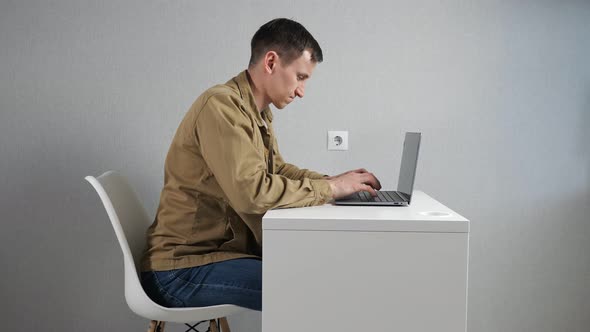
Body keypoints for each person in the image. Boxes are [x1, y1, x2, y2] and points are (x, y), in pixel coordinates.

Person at [140, 18, 381, 312]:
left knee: (327, 272)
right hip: (181, 271)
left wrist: (335, 181)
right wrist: (330, 188)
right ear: (271, 62)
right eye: (301, 77)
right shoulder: (221, 107)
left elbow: (276, 171)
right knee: (314, 288)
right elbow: (252, 191)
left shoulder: (257, 113)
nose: (302, 91)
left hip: (217, 256)